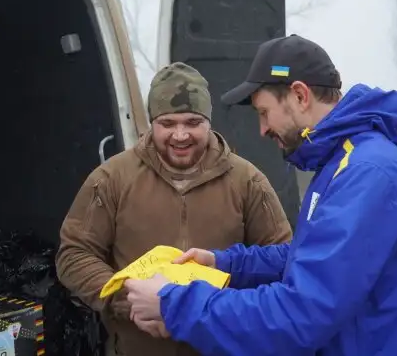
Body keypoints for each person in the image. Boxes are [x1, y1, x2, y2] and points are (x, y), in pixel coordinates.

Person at [123, 35, 397, 355]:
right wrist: (224, 263)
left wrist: (173, 303)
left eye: (264, 112)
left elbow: (301, 313)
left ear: (299, 95)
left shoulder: (366, 172)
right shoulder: (342, 163)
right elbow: (311, 255)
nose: (262, 129)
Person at [55, 62, 293, 356]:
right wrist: (127, 298)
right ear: (151, 123)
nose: (180, 135)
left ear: (209, 122)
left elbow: (283, 262)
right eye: (167, 124)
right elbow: (74, 254)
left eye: (193, 122)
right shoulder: (111, 178)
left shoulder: (248, 181)